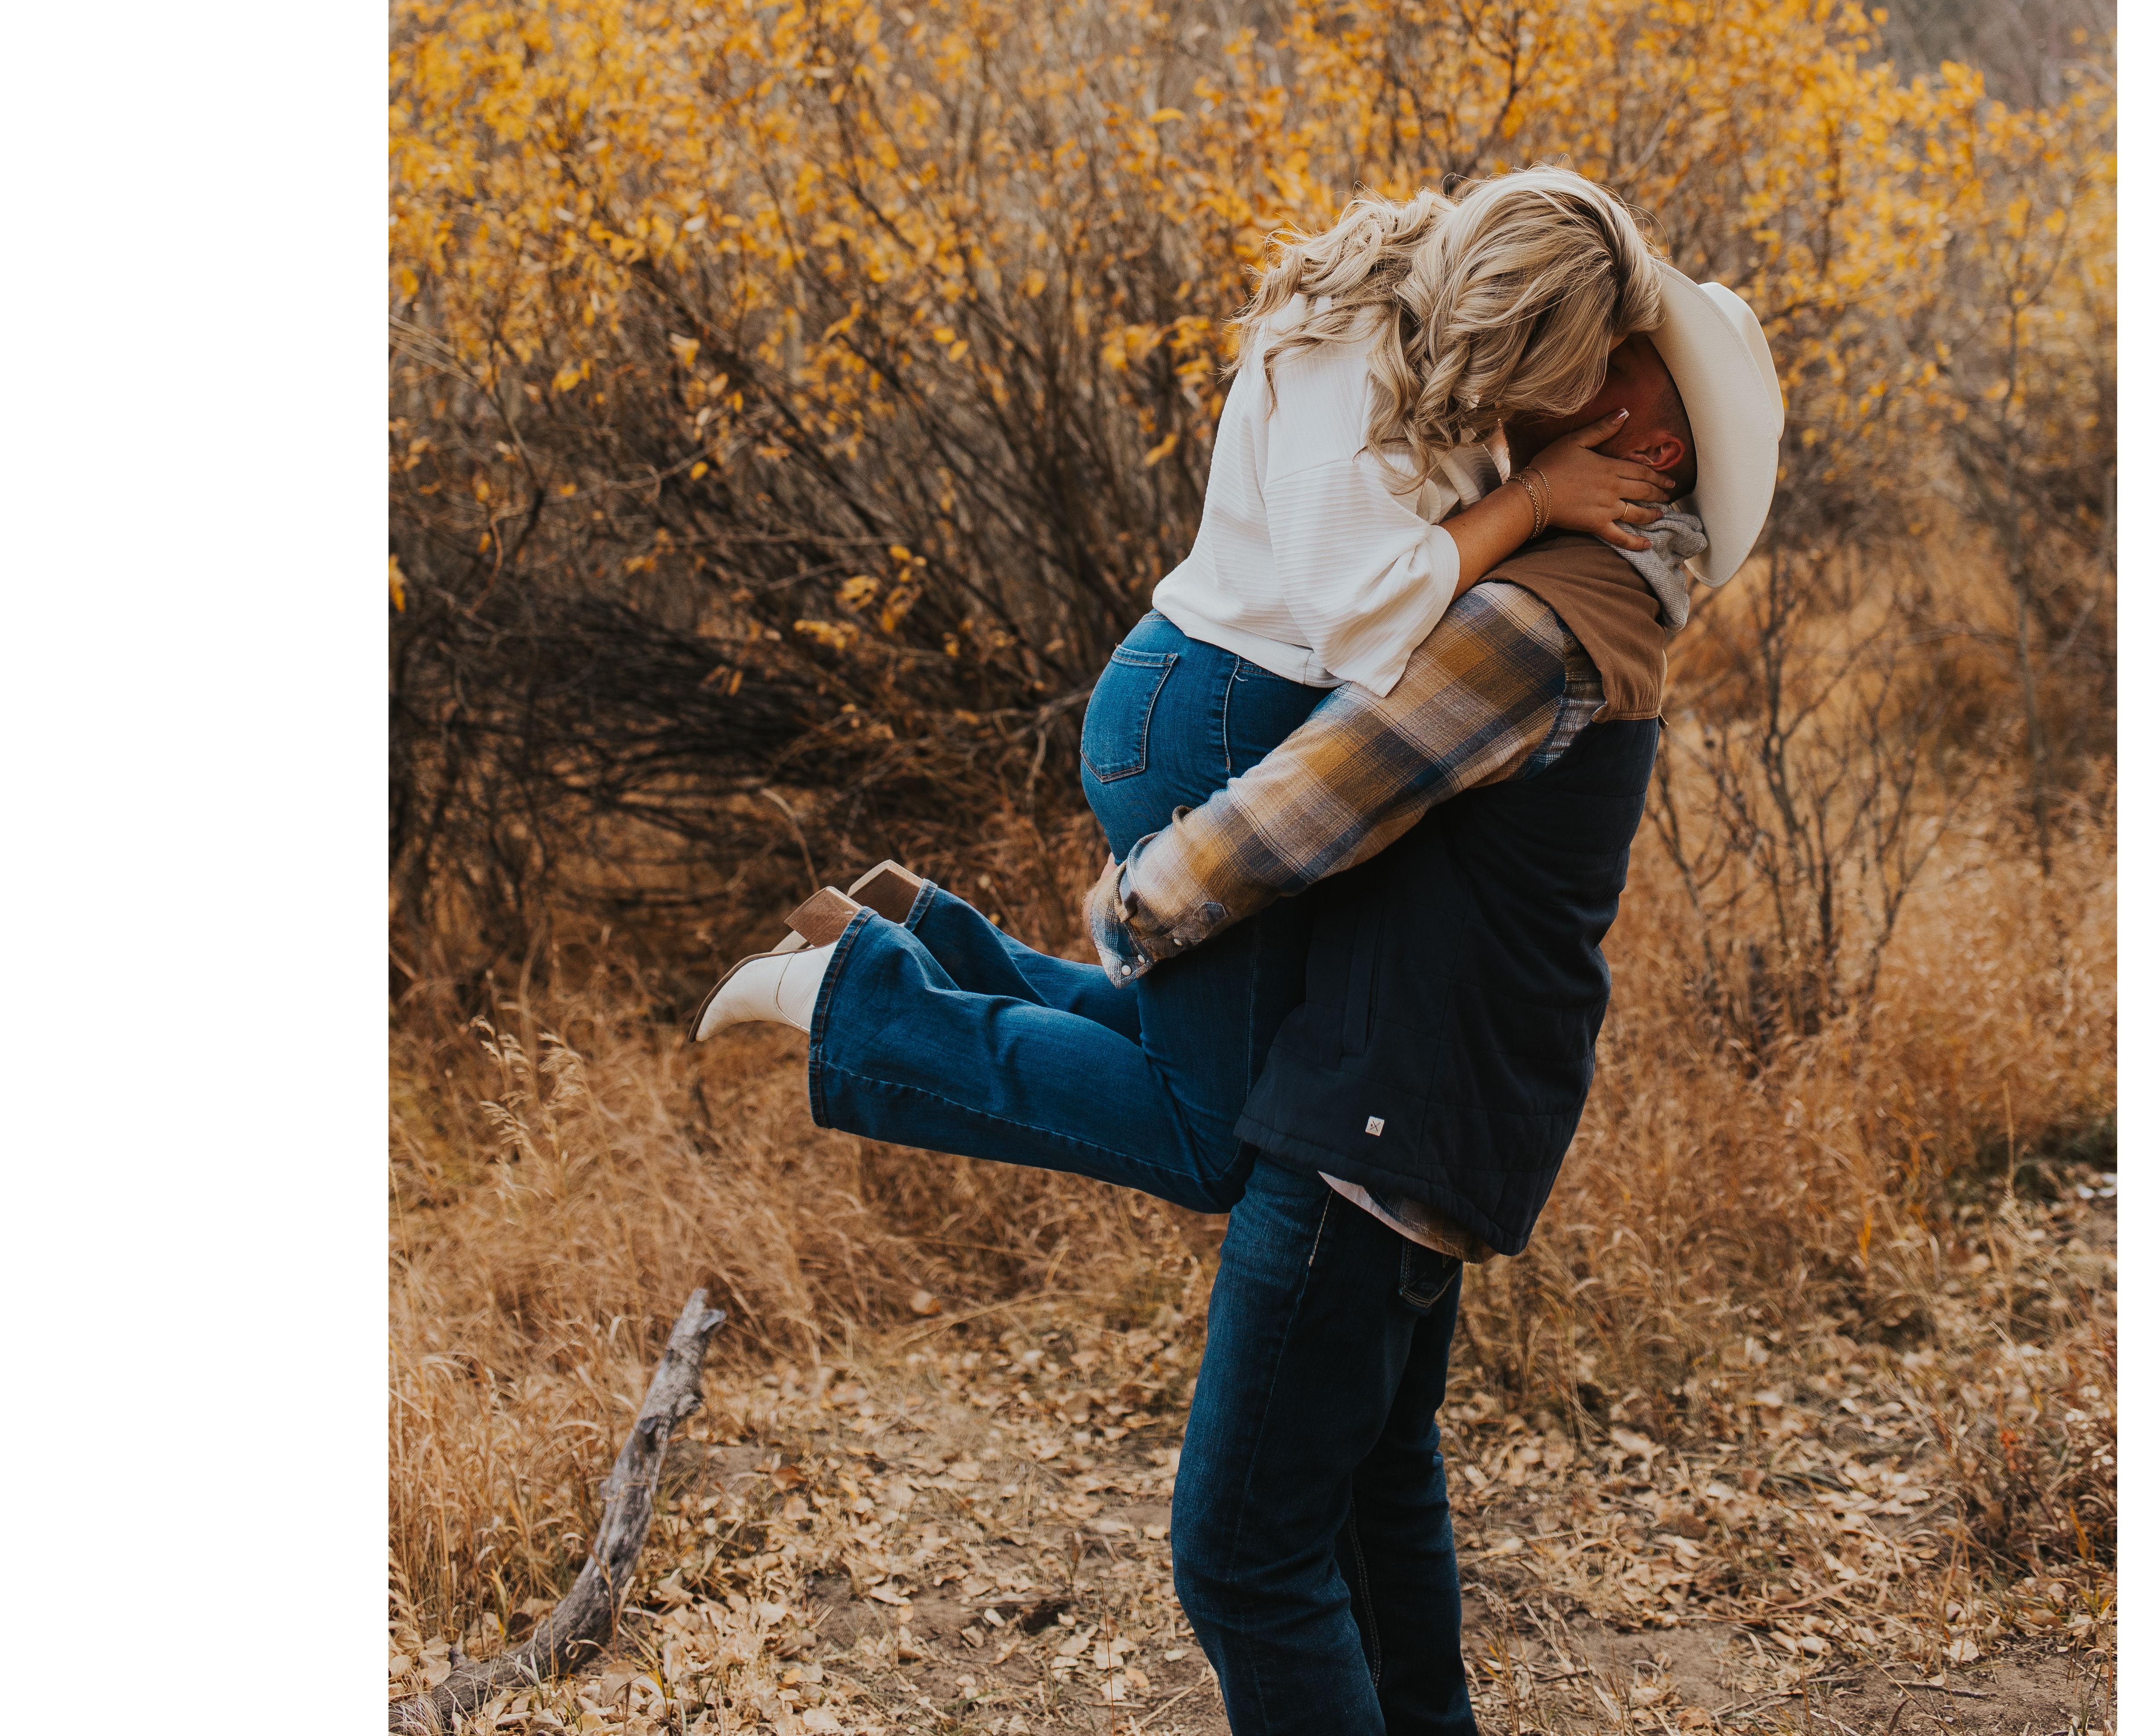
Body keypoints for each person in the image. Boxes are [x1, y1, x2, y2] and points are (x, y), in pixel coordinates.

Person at [688, 235, 1786, 1732]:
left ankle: (866, 994)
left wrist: (1137, 904)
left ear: (1651, 447)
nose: (1573, 367)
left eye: (1617, 366)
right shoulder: (1585, 589)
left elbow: (1325, 794)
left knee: (1246, 1556)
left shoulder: (1544, 622)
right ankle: (914, 956)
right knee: (1376, 1492)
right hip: (1420, 1111)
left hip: (1374, 1131)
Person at [694, 167, 1680, 1214]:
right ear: (1513, 312)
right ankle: (850, 999)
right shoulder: (1355, 350)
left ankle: (913, 935)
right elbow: (1363, 622)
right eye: (1566, 370)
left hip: (1215, 701)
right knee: (1206, 1135)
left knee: (1210, 1059)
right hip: (1209, 714)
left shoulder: (1415, 331)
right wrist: (1534, 499)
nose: (1558, 401)